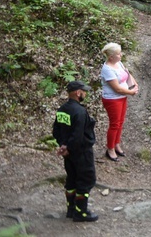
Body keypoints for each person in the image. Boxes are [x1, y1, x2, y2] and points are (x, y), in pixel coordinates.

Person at [52, 81, 99, 222]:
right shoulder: (80, 111)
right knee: (86, 180)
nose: (85, 94)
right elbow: (78, 136)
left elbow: (56, 131)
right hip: (81, 152)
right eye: (84, 91)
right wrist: (69, 148)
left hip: (69, 153)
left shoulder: (62, 109)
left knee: (71, 180)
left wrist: (63, 146)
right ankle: (81, 213)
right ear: (78, 93)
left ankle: (71, 210)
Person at [99, 43, 138, 161]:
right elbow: (117, 88)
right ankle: (110, 148)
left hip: (122, 97)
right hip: (112, 99)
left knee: (120, 122)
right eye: (118, 54)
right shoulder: (107, 69)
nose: (121, 55)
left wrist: (134, 84)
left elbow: (127, 73)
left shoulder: (118, 63)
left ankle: (116, 144)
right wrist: (131, 92)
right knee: (114, 124)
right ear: (111, 57)